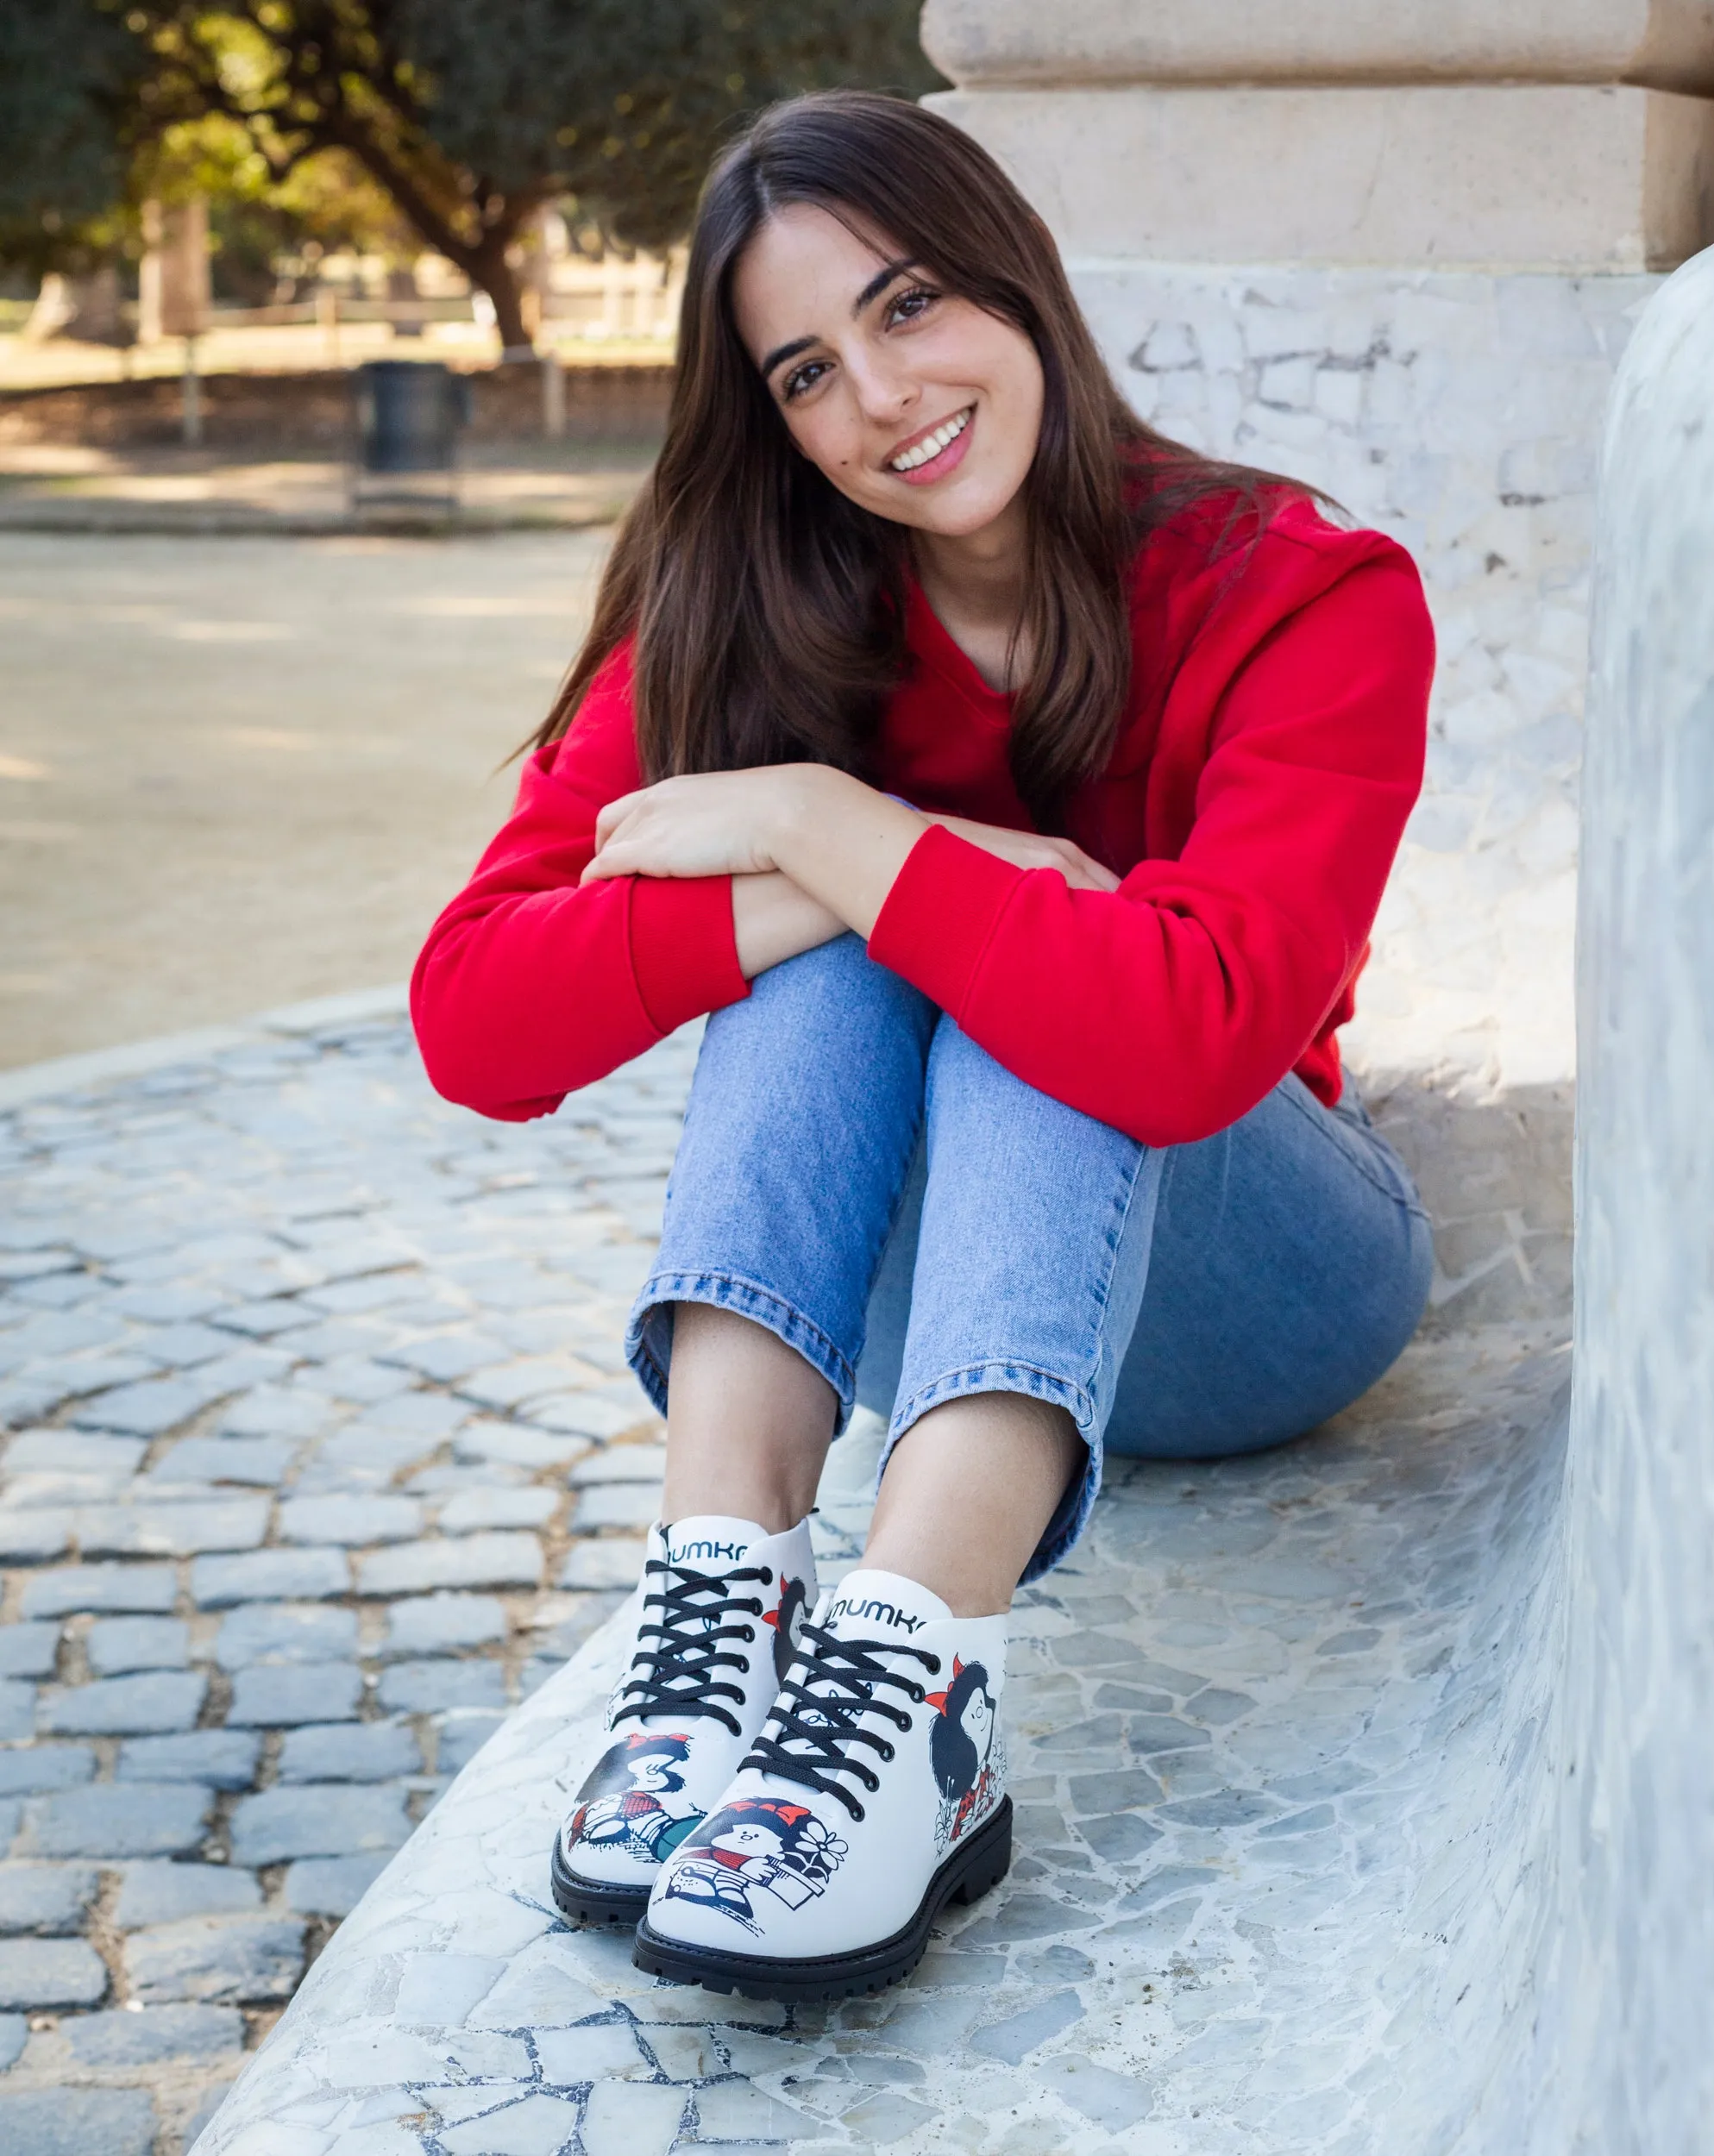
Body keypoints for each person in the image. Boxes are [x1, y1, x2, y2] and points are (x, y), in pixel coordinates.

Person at [412, 90, 1435, 2002]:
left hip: (1266, 1286)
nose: (879, 399)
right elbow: (471, 1013)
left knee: (1041, 964)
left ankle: (920, 1679)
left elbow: (1198, 1026)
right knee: (837, 950)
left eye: (908, 307)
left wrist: (835, 827)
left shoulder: (1301, 587)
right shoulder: (753, 622)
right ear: (770, 420)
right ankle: (722, 1594)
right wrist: (872, 847)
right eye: (806, 369)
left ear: (1013, 278)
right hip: (913, 1310)